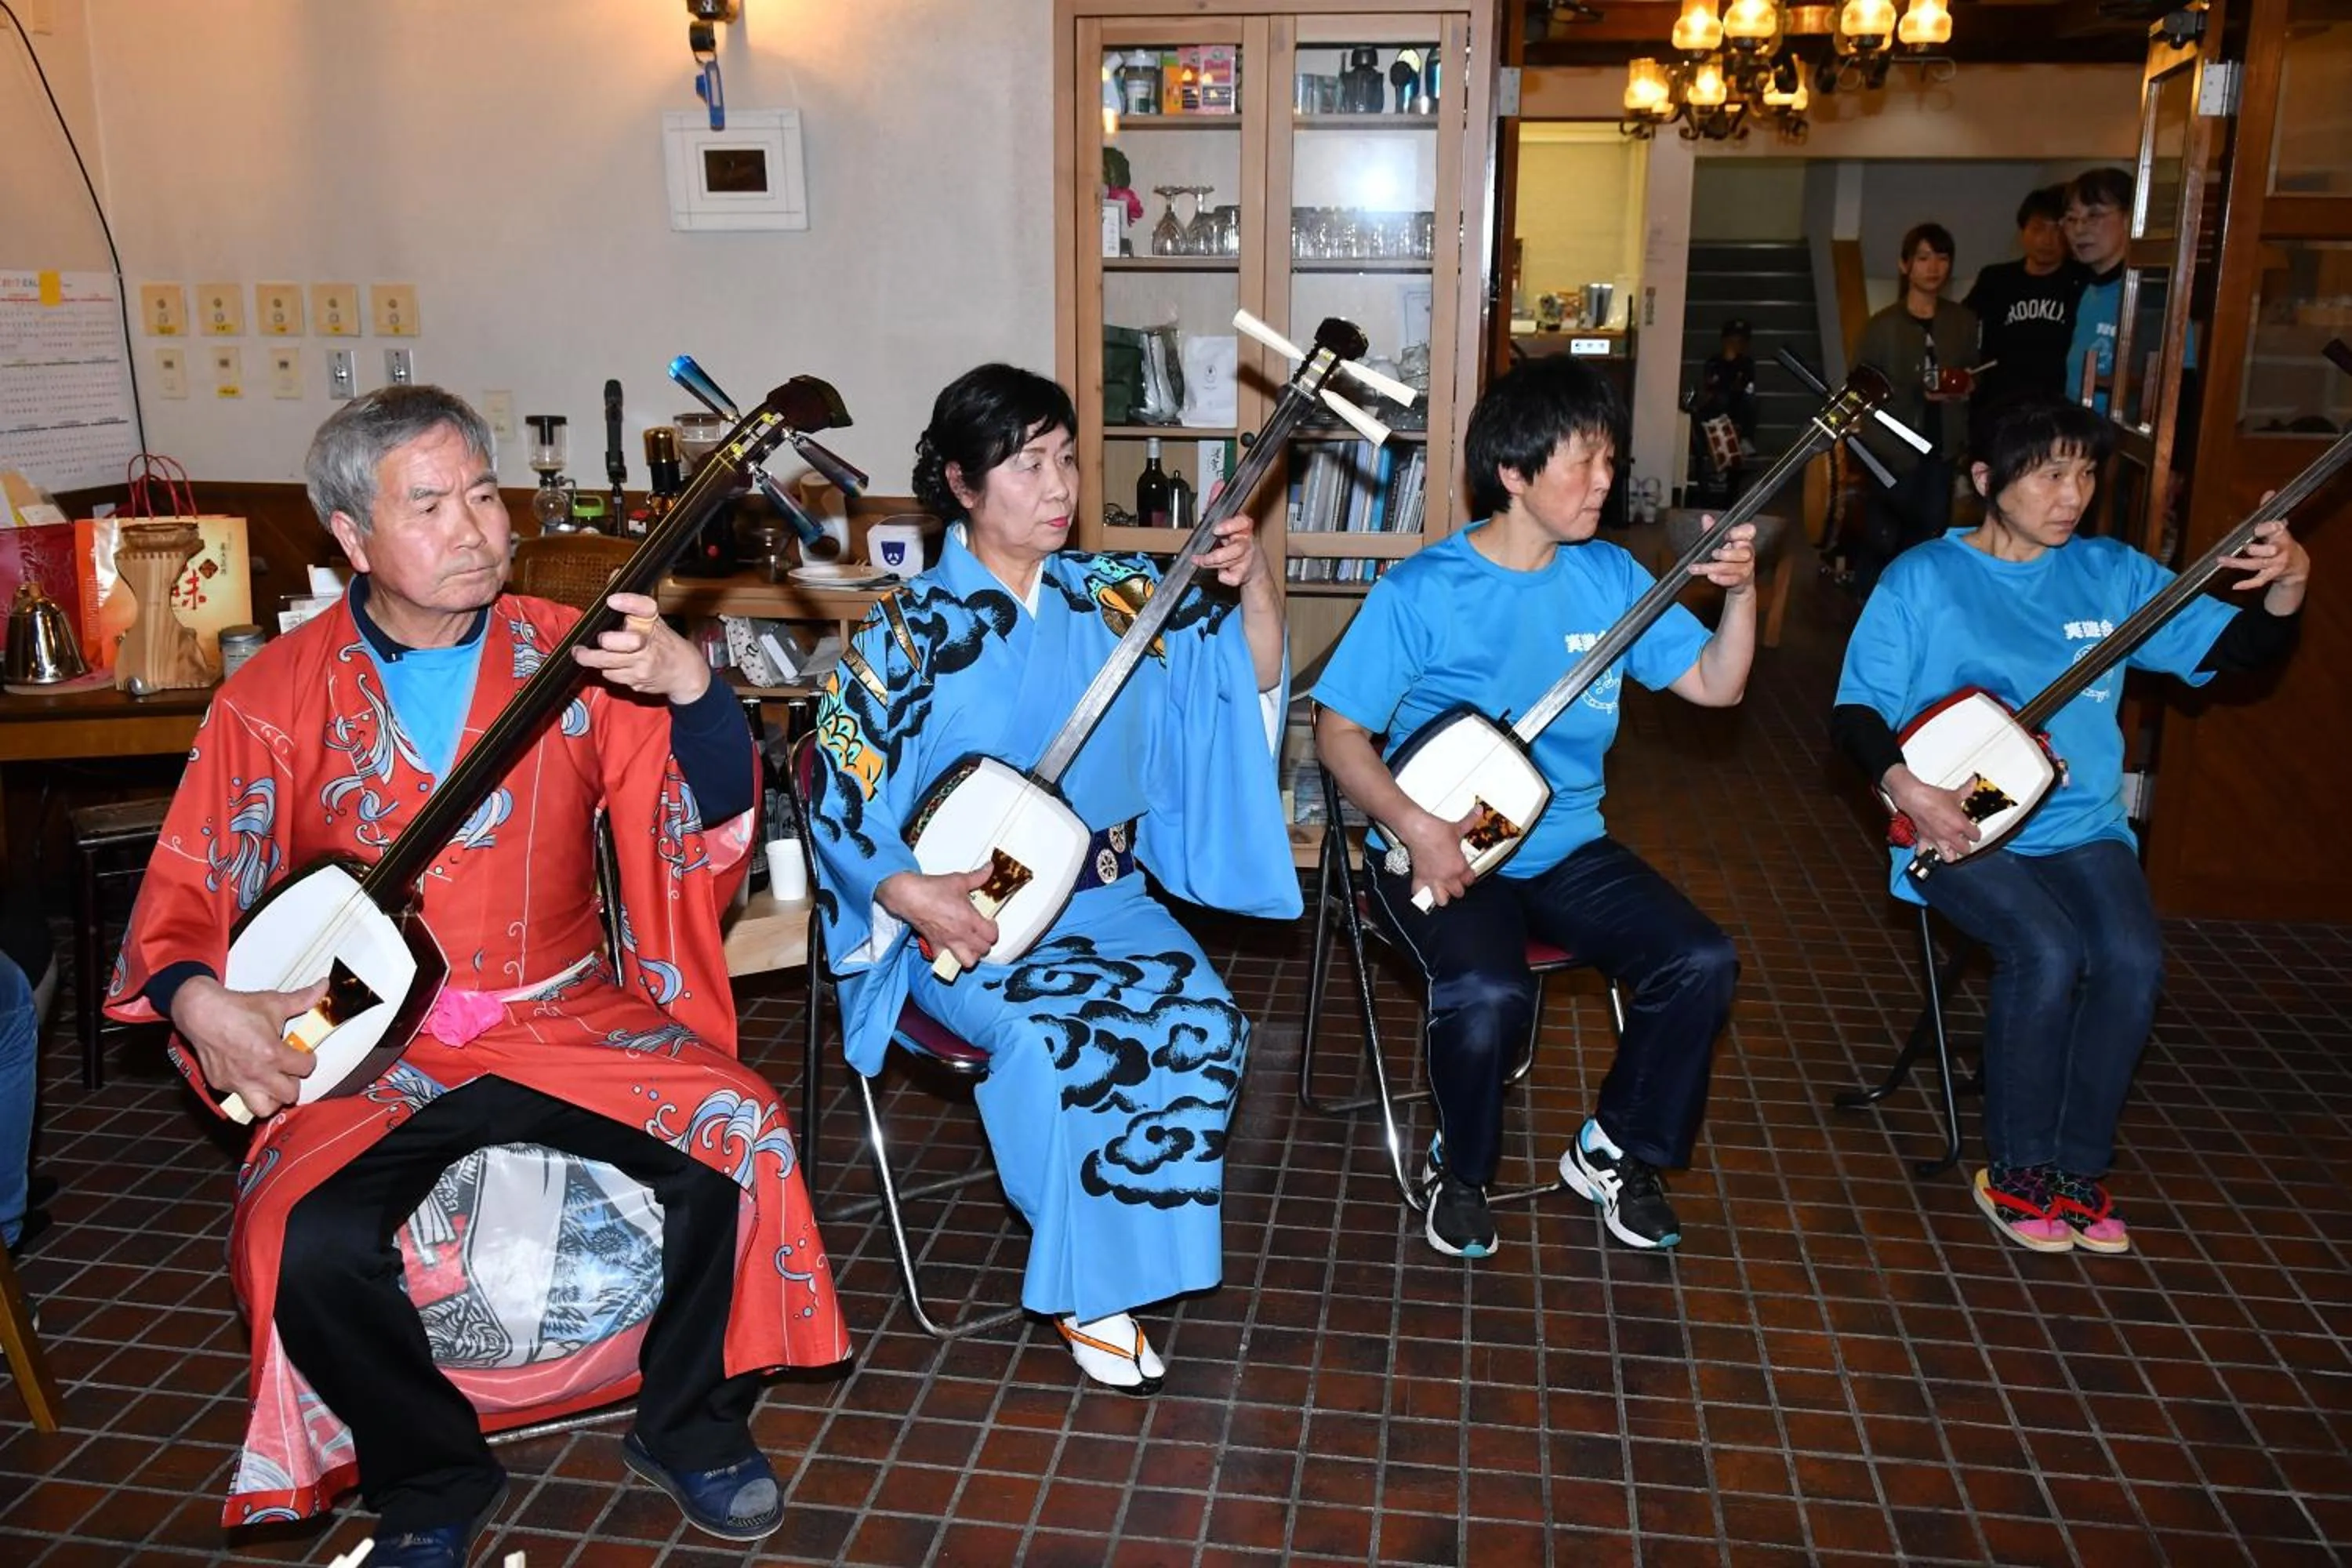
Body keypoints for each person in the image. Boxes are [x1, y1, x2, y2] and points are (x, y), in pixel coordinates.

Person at [105, 387, 848, 1566]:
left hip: (558, 1006)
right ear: (351, 537)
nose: (472, 529)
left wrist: (693, 690)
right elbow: (189, 887)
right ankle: (431, 1470)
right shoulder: (275, 695)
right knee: (293, 1240)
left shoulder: (573, 650)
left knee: (740, 1132)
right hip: (367, 1036)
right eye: (429, 504)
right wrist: (201, 1000)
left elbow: (693, 818)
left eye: (483, 496)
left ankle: (689, 1423)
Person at [804, 365, 1298, 1392]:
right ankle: (1091, 1288)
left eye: (1067, 457)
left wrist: (1250, 577)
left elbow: (1234, 680)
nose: (1060, 484)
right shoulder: (904, 635)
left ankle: (1115, 1248)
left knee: (1202, 1018)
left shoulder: (1116, 595)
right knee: (1058, 1039)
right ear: (962, 485)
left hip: (1109, 901)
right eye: (1027, 464)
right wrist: (907, 892)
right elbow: (836, 790)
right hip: (978, 916)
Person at [1831, 394, 2309, 1254]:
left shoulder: (2113, 575)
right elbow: (1856, 710)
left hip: (2083, 824)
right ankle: (2016, 1168)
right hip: (1962, 826)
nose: (2072, 493)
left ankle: (2078, 1168)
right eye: (2051, 472)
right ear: (1987, 479)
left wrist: (2290, 587)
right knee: (2046, 948)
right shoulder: (1925, 578)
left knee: (2131, 956)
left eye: (2085, 473)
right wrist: (1909, 788)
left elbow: (2234, 652)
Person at [1311, 357, 1755, 1258]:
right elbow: (1338, 733)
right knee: (1486, 990)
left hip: (1565, 846)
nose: (1606, 481)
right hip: (1437, 848)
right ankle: (1461, 1168)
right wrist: (1418, 828)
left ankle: (1615, 1148)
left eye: (1610, 460)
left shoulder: (1613, 578)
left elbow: (1715, 684)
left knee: (1700, 958)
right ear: (1514, 473)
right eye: (1584, 462)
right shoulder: (1424, 590)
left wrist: (1741, 594)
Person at [1853, 223, 1980, 598]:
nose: (1933, 267)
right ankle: (1870, 609)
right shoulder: (1882, 326)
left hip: (1942, 446)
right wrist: (1911, 390)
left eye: (1942, 258)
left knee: (1931, 535)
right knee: (1883, 536)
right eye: (1923, 258)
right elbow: (1860, 386)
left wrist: (1966, 385)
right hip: (1891, 448)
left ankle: (1919, 608)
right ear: (1905, 264)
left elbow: (1975, 371)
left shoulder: (1962, 321)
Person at [1963, 185, 2085, 410]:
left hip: (2059, 407)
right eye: (2038, 229)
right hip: (2000, 405)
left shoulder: (2082, 281)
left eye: (2057, 230)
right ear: (2022, 232)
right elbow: (1961, 325)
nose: (2047, 240)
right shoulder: (1995, 279)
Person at [2062, 167, 2134, 414]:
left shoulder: (2150, 296)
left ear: (2130, 219)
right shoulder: (2088, 289)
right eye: (2071, 219)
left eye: (2094, 216)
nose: (2079, 229)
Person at [1682, 318, 1759, 508]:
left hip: (1736, 412)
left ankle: (1742, 442)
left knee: (1747, 400)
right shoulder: (1714, 362)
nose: (1737, 345)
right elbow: (1711, 390)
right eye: (1733, 340)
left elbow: (1742, 388)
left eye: (1741, 341)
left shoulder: (1746, 363)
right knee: (1718, 401)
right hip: (1715, 413)